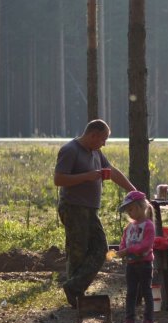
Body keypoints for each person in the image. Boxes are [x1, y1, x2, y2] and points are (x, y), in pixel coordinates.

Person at [54, 119, 136, 307]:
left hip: (90, 209)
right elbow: (58, 179)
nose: (104, 143)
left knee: (100, 249)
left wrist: (133, 191)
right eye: (103, 139)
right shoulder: (70, 150)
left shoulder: (96, 151)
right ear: (93, 135)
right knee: (77, 252)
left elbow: (112, 172)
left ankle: (74, 287)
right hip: (73, 207)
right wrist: (86, 177)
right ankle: (76, 296)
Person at [116, 191, 157, 323]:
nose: (129, 213)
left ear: (141, 207)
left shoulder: (148, 225)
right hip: (131, 264)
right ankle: (129, 320)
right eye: (128, 211)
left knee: (146, 291)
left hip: (144, 264)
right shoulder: (129, 227)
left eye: (131, 209)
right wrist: (122, 250)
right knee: (131, 292)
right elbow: (124, 241)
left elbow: (146, 245)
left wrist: (128, 250)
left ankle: (148, 320)